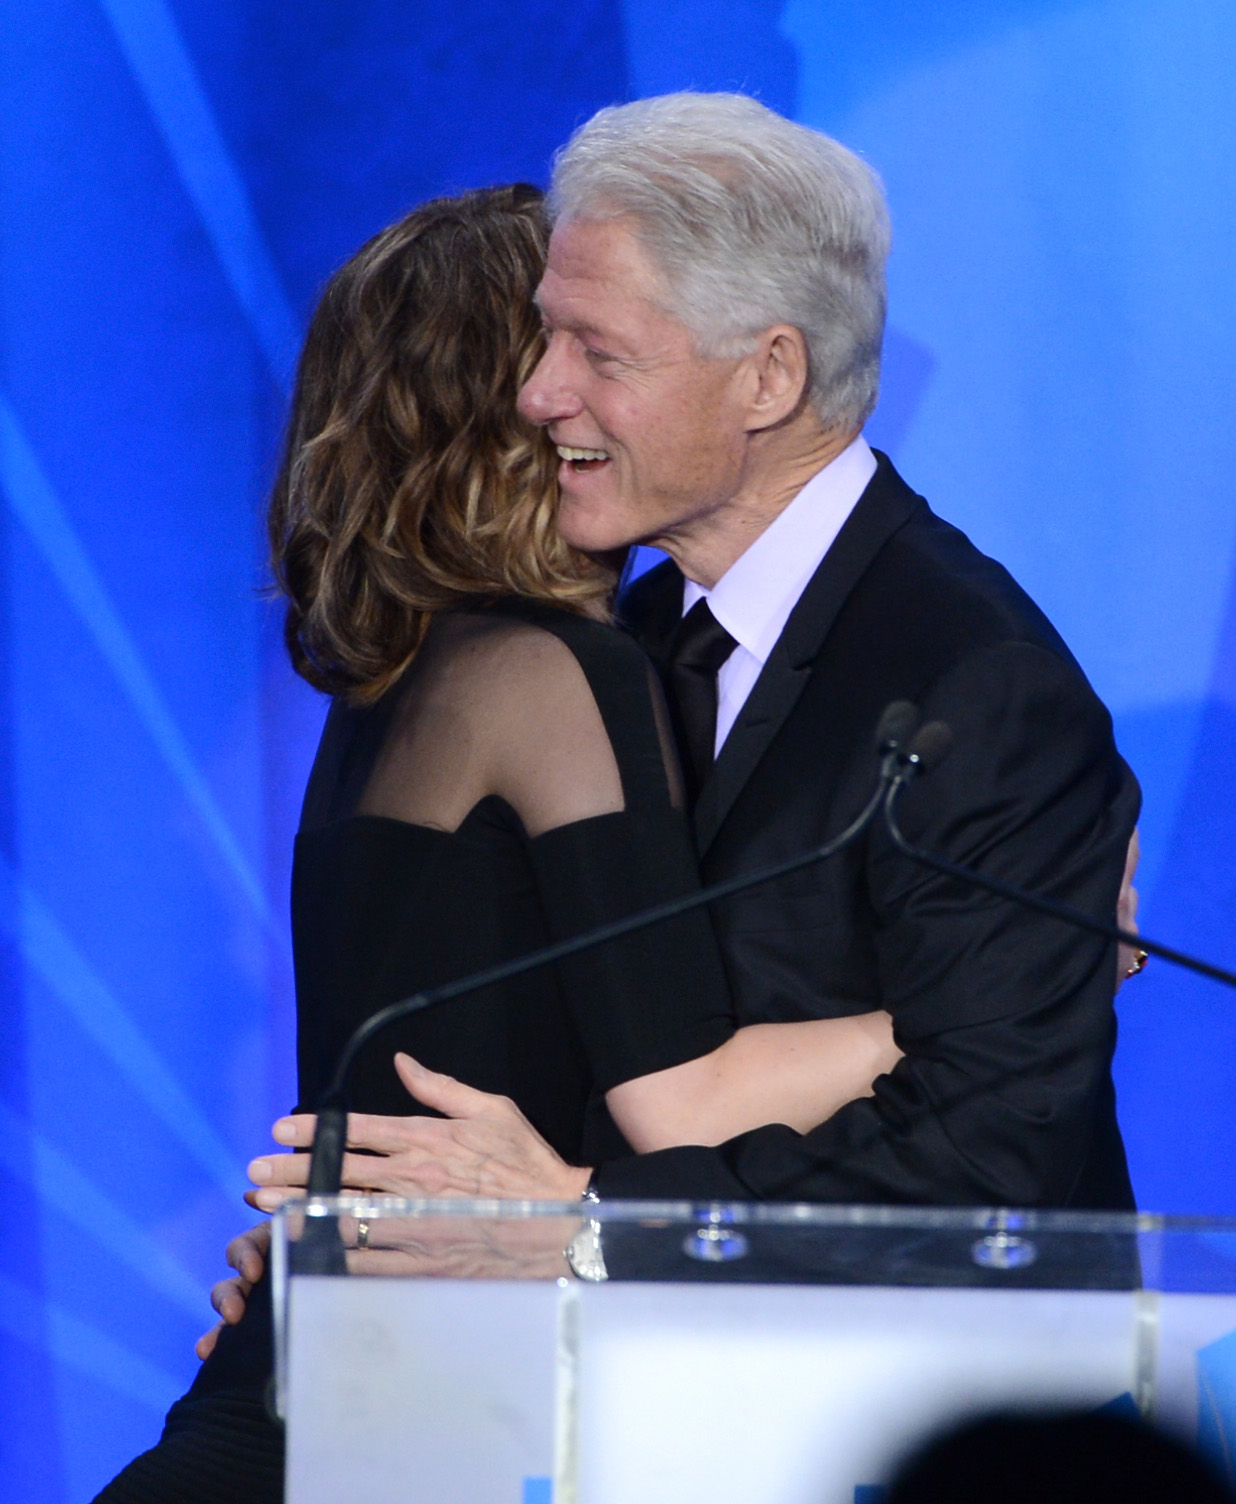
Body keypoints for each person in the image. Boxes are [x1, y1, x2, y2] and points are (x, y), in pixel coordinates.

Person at [96, 180, 901, 1502]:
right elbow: (678, 1098)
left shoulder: (410, 680)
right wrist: (987, 996)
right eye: (579, 345)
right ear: (515, 408)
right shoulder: (556, 674)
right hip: (385, 1429)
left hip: (310, 1398)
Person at [241, 91, 1140, 1221]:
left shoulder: (980, 682)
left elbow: (990, 1151)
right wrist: (371, 1237)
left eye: (598, 351)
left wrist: (583, 1229)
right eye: (545, 336)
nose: (537, 392)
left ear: (769, 378)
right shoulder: (629, 633)